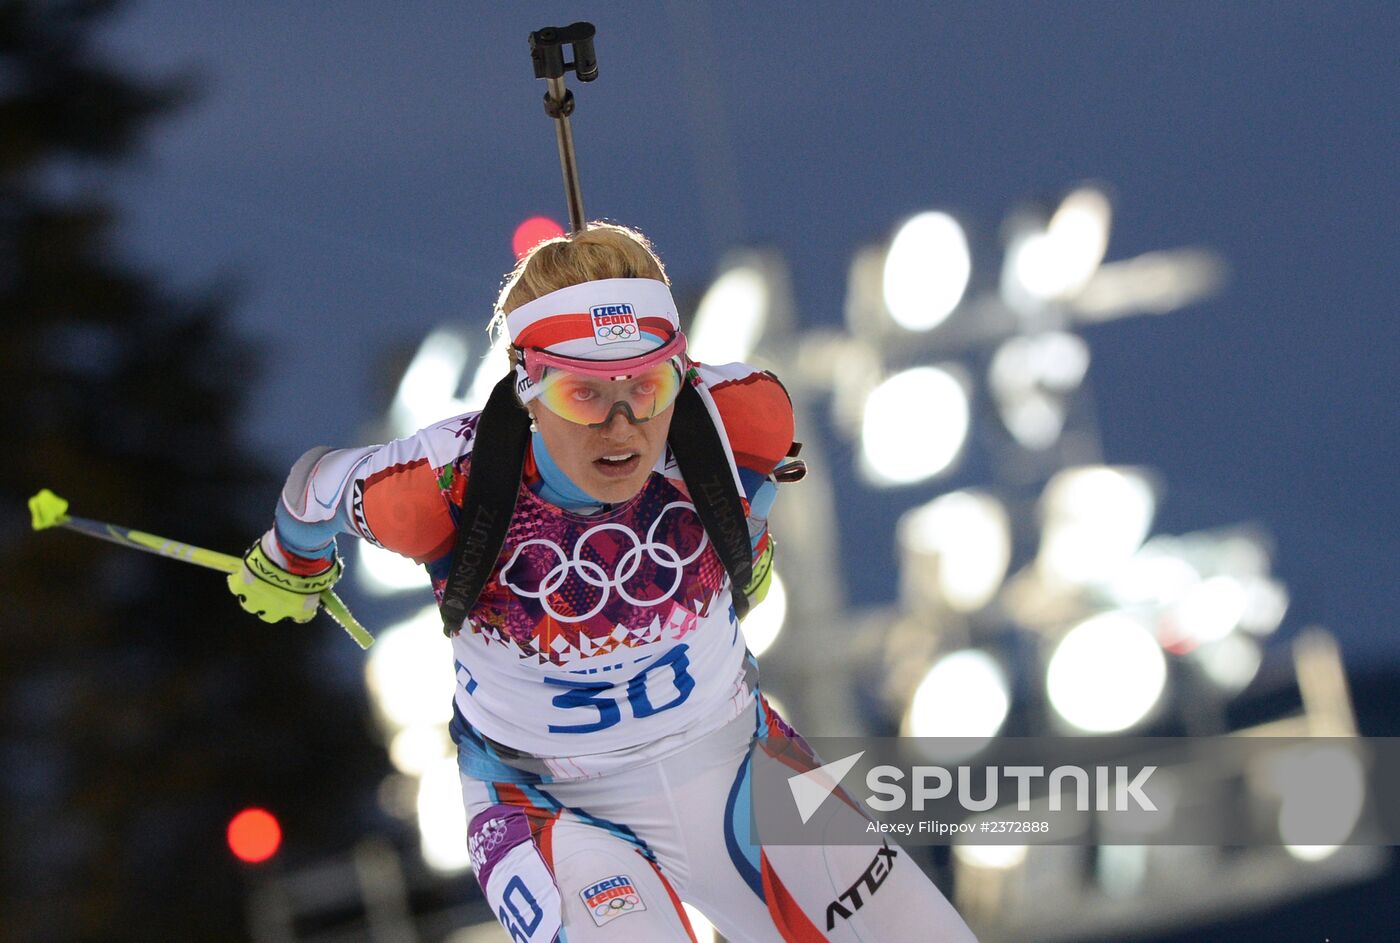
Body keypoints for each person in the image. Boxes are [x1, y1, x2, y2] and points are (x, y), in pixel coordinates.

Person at [227, 223, 977, 942]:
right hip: (553, 805)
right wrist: (293, 559)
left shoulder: (740, 416)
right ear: (529, 383)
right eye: (584, 395)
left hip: (735, 761)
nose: (622, 426)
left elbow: (756, 484)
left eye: (647, 386)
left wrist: (748, 538)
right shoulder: (441, 484)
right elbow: (316, 486)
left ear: (680, 370)